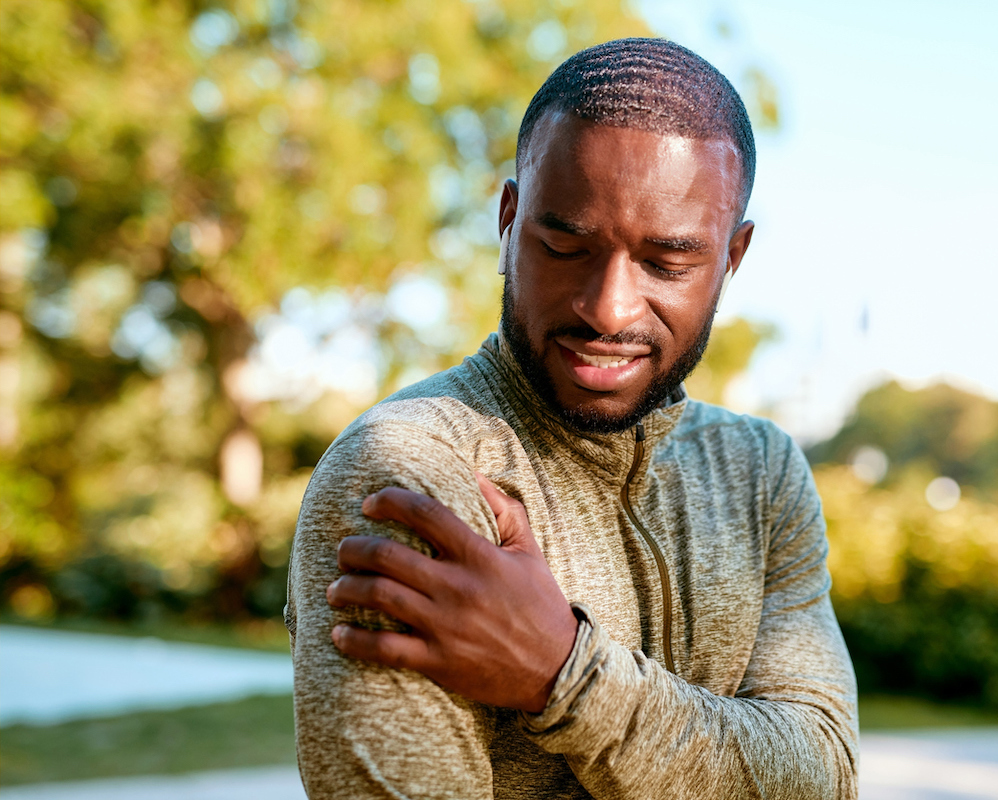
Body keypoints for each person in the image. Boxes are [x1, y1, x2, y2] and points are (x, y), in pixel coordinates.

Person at [286, 37, 858, 799]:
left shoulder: (761, 472)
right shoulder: (412, 472)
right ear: (509, 218)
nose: (607, 308)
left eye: (668, 262)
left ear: (732, 258)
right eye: (565, 245)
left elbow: (822, 776)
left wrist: (564, 673)